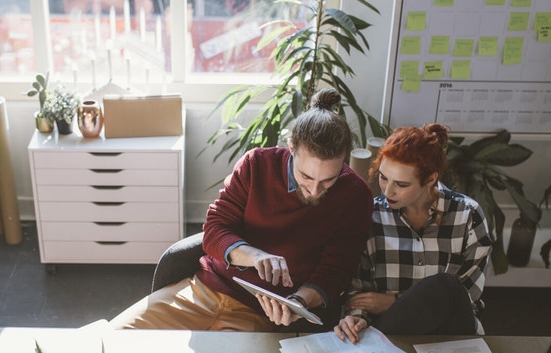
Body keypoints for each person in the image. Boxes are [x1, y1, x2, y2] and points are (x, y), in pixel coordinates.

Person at [110, 88, 373, 331]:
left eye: (328, 181)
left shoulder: (355, 196)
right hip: (201, 291)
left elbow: (335, 272)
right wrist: (255, 257)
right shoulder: (257, 165)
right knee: (108, 346)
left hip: (260, 315)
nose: (315, 190)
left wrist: (298, 303)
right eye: (306, 176)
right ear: (291, 149)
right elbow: (214, 231)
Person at [334, 123, 493, 343]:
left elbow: (463, 298)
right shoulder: (370, 216)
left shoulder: (468, 216)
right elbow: (359, 294)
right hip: (393, 331)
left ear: (430, 179)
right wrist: (355, 320)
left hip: (450, 331)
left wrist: (393, 300)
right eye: (383, 177)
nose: (387, 191)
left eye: (401, 184)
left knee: (445, 286)